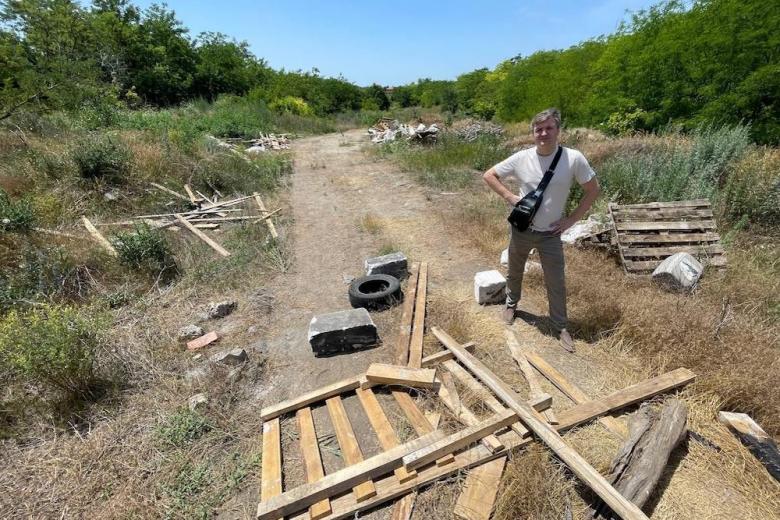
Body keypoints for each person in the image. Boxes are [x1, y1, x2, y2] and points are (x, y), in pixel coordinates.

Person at [482, 108, 600, 352]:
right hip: (522, 229)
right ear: (533, 132)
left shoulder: (573, 158)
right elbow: (489, 175)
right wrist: (509, 196)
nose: (543, 133)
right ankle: (512, 305)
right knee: (514, 270)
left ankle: (560, 326)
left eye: (549, 128)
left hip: (551, 235)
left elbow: (593, 190)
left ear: (558, 131)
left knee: (555, 281)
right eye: (539, 129)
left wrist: (571, 220)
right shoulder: (521, 157)